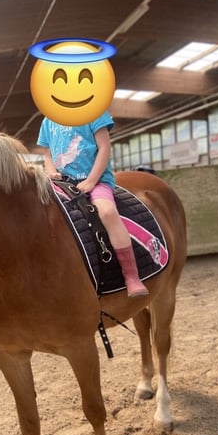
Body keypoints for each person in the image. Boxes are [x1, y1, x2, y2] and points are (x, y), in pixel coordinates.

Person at [37, 111, 149, 298]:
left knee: (107, 212)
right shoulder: (48, 121)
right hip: (62, 183)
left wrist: (91, 181)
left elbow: (104, 148)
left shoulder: (94, 113)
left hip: (96, 181)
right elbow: (47, 155)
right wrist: (51, 172)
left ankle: (131, 276)